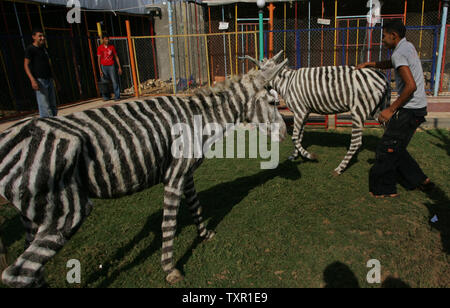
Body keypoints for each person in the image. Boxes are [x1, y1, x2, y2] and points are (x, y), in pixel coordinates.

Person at [357, 20, 434, 198]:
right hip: (418, 108)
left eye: (384, 36)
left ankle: (383, 189)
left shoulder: (399, 53)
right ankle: (419, 180)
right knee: (397, 146)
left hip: (410, 109)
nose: (382, 40)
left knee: (387, 148)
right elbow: (392, 63)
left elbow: (410, 86)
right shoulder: (406, 47)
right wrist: (371, 64)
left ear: (394, 36)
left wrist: (390, 110)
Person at [24, 29, 58, 117]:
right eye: (40, 36)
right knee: (44, 106)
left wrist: (55, 79)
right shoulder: (30, 49)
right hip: (40, 80)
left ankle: (55, 121)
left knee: (53, 104)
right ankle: (47, 124)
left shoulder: (44, 49)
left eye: (43, 36)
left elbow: (49, 65)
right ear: (34, 37)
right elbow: (26, 65)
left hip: (49, 79)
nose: (42, 38)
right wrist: (32, 80)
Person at [97, 35, 123, 101]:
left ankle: (117, 96)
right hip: (103, 66)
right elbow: (99, 59)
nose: (107, 41)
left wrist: (119, 67)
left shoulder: (112, 47)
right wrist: (100, 70)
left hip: (111, 66)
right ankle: (106, 97)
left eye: (107, 39)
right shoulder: (100, 48)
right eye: (105, 39)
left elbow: (116, 57)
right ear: (102, 40)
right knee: (104, 81)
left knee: (114, 81)